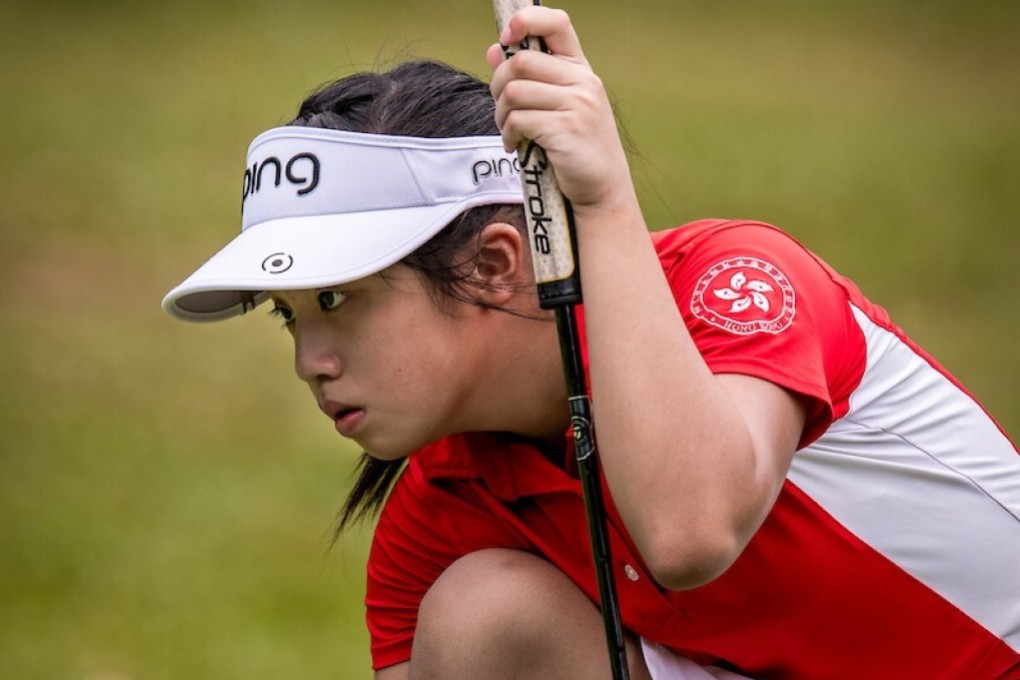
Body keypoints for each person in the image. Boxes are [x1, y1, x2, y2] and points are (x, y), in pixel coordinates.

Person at [162, 6, 1020, 679]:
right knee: (482, 620)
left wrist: (602, 200)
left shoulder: (734, 282)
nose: (310, 360)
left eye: (339, 297)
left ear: (500, 263)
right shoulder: (439, 513)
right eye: (289, 314)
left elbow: (689, 533)